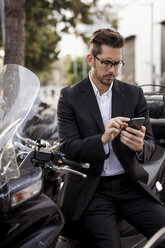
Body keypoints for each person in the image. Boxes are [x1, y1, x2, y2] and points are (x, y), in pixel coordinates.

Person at [57, 28, 165, 248]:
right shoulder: (69, 97)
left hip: (129, 184)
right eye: (106, 62)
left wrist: (140, 146)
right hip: (93, 189)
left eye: (117, 63)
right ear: (91, 59)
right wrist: (103, 139)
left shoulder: (134, 94)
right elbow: (68, 147)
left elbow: (150, 145)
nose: (113, 70)